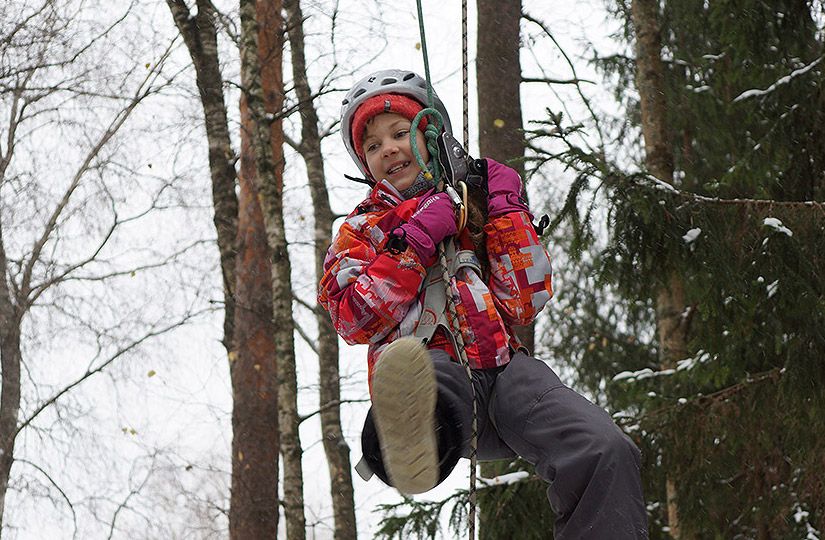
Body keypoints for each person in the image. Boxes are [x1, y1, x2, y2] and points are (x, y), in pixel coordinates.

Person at [318, 69, 648, 539]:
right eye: (372, 146)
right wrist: (413, 240)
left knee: (601, 447)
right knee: (429, 379)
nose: (388, 148)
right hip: (434, 368)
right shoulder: (362, 231)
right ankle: (411, 436)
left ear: (431, 135)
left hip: (507, 372)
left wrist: (508, 211)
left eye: (399, 133)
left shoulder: (473, 205)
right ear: (365, 164)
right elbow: (353, 316)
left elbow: (525, 299)